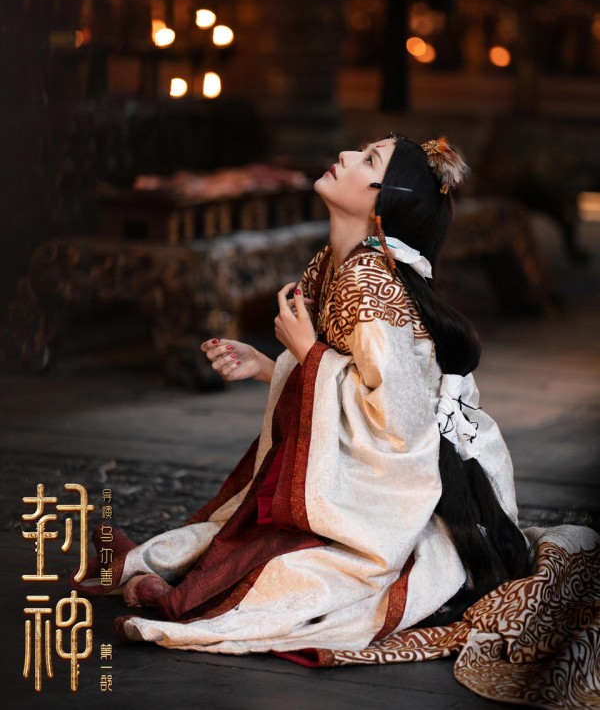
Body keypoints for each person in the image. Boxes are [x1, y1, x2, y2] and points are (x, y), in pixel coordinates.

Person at [74, 135, 599, 704]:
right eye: (360, 151)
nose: (346, 157)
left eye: (368, 160)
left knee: (298, 573)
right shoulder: (332, 263)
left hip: (413, 492)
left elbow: (398, 423)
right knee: (246, 542)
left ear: (383, 201)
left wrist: (307, 354)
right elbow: (350, 380)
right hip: (370, 476)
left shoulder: (370, 284)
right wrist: (267, 366)